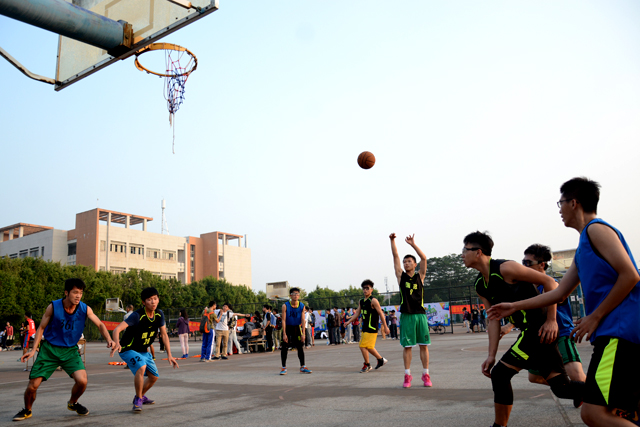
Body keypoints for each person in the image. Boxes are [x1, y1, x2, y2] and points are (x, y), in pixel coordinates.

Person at [488, 177, 640, 427]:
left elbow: (630, 275)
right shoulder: (583, 246)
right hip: (615, 332)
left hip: (619, 331)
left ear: (574, 203)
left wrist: (595, 316)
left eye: (560, 203)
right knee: (617, 411)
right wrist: (514, 307)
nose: (559, 210)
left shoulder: (596, 230)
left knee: (594, 414)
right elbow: (558, 294)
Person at [462, 230, 583, 427]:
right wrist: (491, 355)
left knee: (500, 375)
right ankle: (616, 396)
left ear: (478, 252)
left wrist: (551, 320)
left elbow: (550, 282)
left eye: (465, 250)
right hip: (531, 334)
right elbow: (493, 319)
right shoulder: (480, 285)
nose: (461, 254)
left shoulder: (506, 268)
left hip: (538, 331)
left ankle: (499, 426)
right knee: (562, 389)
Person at [12, 278, 115, 421]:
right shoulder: (53, 307)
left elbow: (100, 325)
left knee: (82, 381)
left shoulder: (85, 308)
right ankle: (27, 410)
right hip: (49, 350)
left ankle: (73, 403)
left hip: (70, 351)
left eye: (81, 293)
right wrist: (33, 349)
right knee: (33, 386)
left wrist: (109, 339)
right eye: (75, 292)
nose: (78, 296)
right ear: (66, 292)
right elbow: (41, 328)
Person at [501, 244, 586, 390]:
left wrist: (551, 320)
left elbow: (551, 301)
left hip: (561, 334)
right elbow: (529, 311)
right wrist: (509, 325)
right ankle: (575, 390)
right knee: (535, 377)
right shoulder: (528, 288)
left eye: (528, 263)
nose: (524, 266)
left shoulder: (552, 284)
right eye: (523, 262)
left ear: (542, 265)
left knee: (576, 375)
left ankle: (595, 396)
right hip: (540, 337)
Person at [111, 287, 178, 412]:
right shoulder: (137, 316)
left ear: (158, 300)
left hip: (143, 350)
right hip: (127, 349)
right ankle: (138, 399)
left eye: (155, 299)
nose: (153, 302)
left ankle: (141, 396)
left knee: (154, 377)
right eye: (149, 299)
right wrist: (117, 343)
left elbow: (164, 335)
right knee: (141, 367)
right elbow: (117, 329)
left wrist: (170, 354)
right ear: (143, 302)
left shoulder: (159, 314)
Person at [390, 233, 432, 388]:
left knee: (424, 345)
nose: (406, 263)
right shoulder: (401, 277)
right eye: (405, 262)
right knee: (407, 347)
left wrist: (413, 244)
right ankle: (407, 375)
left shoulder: (420, 276)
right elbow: (395, 256)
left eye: (409, 261)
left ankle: (426, 374)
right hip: (407, 316)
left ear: (415, 264)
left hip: (420, 315)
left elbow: (424, 258)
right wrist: (392, 241)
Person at [345, 280, 389, 373]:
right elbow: (357, 313)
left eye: (367, 288)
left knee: (362, 346)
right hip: (365, 327)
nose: (365, 290)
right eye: (364, 288)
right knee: (368, 347)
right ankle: (380, 360)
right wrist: (348, 321)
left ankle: (367, 365)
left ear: (371, 290)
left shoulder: (373, 300)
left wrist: (385, 326)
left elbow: (381, 313)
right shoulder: (361, 301)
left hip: (372, 327)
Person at [280, 287, 312, 375]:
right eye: (294, 294)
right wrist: (284, 333)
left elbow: (303, 320)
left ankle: (303, 366)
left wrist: (303, 333)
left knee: (300, 347)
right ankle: (283, 367)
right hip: (287, 327)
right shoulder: (285, 306)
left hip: (297, 328)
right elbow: (283, 320)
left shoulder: (302, 306)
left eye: (297, 294)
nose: (296, 296)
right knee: (284, 347)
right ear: (290, 295)